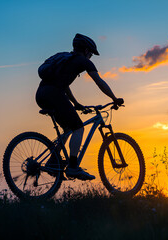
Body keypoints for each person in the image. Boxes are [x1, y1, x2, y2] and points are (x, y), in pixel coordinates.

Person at [36, 33, 124, 180]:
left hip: (41, 94)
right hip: (54, 94)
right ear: (86, 50)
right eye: (91, 54)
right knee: (78, 127)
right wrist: (114, 98)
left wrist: (75, 103)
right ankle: (73, 167)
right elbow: (99, 82)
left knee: (68, 129)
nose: (91, 57)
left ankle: (53, 162)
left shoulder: (65, 59)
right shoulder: (83, 61)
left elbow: (63, 85)